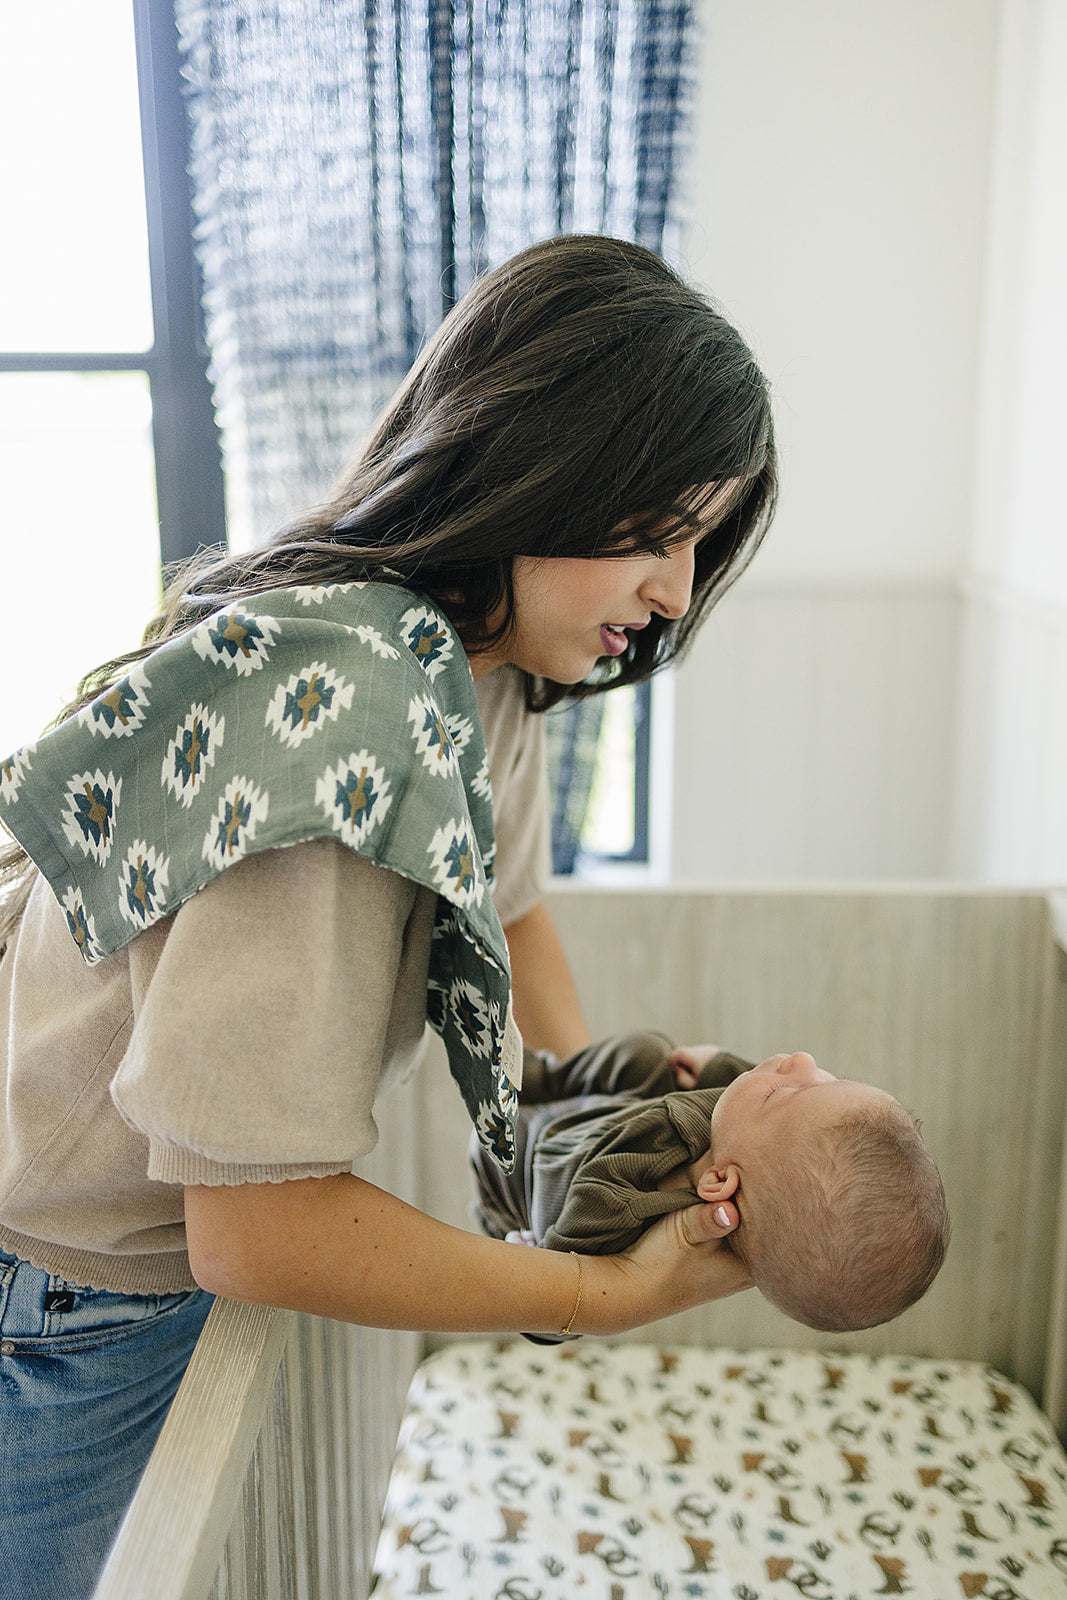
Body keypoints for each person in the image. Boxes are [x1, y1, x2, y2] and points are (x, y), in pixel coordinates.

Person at [0, 233, 776, 1599]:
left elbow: (513, 918)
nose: (672, 592)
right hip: (60, 1294)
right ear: (545, 461)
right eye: (657, 530)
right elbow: (257, 1228)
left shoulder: (492, 673)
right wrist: (595, 1297)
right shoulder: (352, 709)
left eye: (698, 542)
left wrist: (582, 1111)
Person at [470, 1031, 950, 1334]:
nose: (802, 1061)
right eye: (830, 1080)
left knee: (531, 1227)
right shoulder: (756, 1148)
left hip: (519, 1166)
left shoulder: (629, 1203)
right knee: (645, 1054)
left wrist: (535, 1257)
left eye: (788, 1093)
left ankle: (507, 1220)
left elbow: (560, 1304)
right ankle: (540, 1076)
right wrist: (717, 1068)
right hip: (590, 1114)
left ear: (719, 1182)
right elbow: (743, 1095)